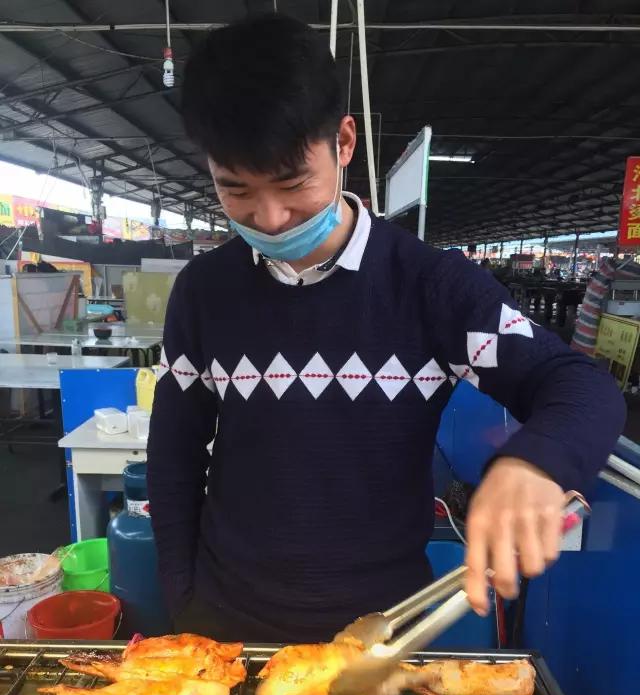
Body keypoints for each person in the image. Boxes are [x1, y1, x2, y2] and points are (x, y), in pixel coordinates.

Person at [147, 14, 625, 642]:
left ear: (343, 143)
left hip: (376, 637)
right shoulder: (204, 292)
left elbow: (581, 387)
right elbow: (174, 453)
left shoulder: (432, 287)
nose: (269, 218)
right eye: (235, 190)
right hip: (224, 624)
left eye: (294, 185)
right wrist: (181, 594)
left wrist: (534, 465)